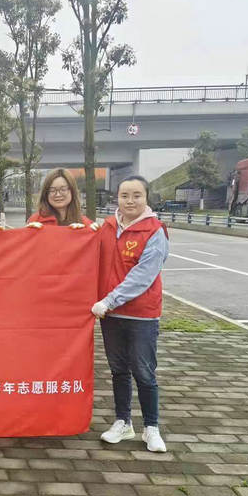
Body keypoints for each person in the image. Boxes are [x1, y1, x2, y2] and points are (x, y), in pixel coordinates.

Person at [92, 175, 169, 453]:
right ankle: (123, 422)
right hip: (111, 316)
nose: (130, 201)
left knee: (144, 372)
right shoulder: (107, 227)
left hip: (141, 315)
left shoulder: (154, 231)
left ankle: (152, 427)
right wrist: (80, 233)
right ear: (117, 198)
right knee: (119, 370)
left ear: (146, 198)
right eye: (125, 195)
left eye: (137, 195)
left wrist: (109, 300)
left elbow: (143, 275)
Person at [26, 168, 93, 228]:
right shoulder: (35, 221)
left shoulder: (86, 224)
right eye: (52, 190)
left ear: (72, 191)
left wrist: (94, 231)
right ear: (45, 194)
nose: (58, 194)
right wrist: (29, 233)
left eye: (63, 189)